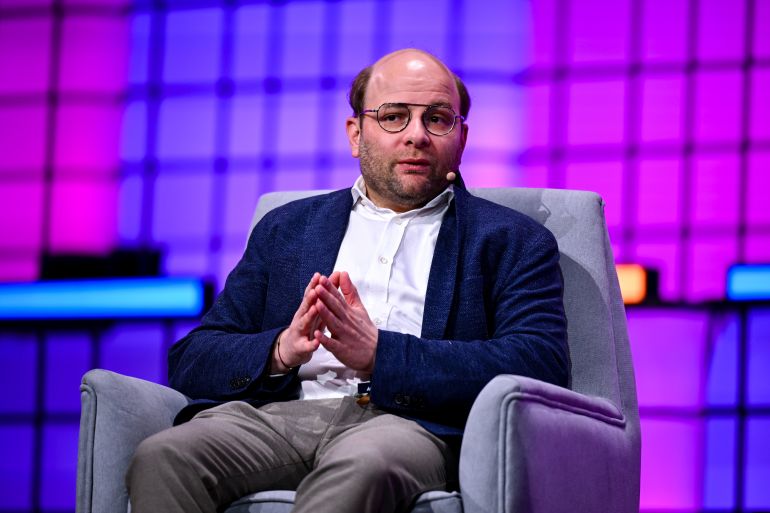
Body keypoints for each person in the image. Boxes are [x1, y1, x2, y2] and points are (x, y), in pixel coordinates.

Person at [126, 48, 569, 513]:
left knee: (360, 469)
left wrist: (383, 355)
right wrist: (280, 349)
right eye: (394, 117)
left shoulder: (511, 239)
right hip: (280, 415)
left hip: (407, 423)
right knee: (163, 455)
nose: (416, 135)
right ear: (356, 134)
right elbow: (194, 358)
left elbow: (538, 361)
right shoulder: (287, 229)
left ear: (460, 137)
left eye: (437, 119)